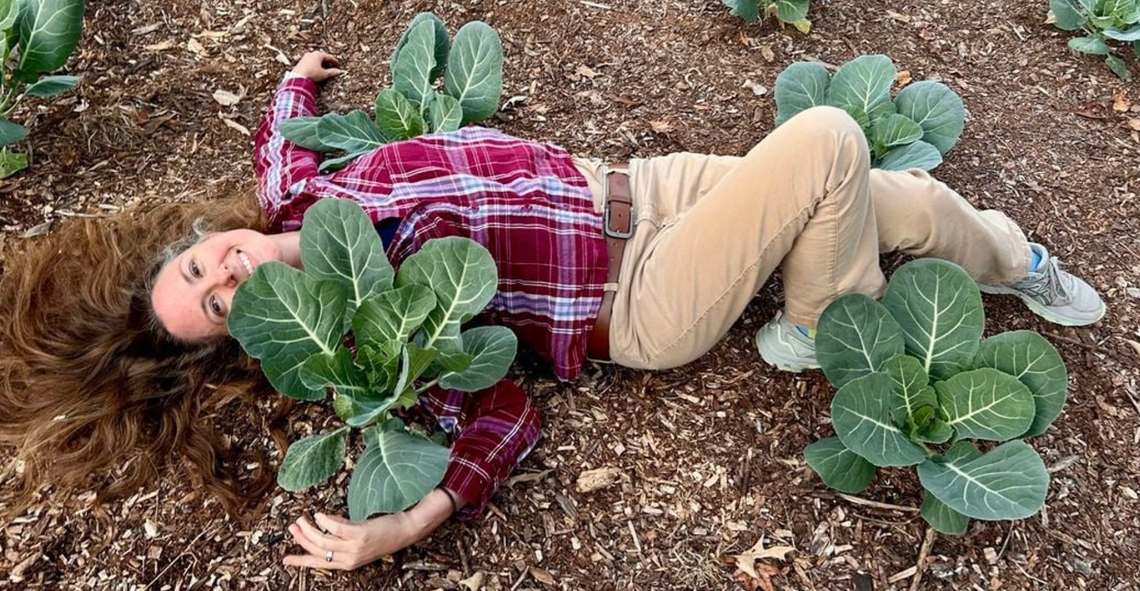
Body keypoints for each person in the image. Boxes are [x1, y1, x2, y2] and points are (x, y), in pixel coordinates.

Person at [0, 51, 1105, 571]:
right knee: (828, 143)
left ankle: (1012, 259)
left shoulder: (299, 192)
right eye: (223, 306)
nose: (225, 276)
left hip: (635, 186)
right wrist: (403, 522)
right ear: (248, 336)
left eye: (201, 267)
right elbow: (495, 420)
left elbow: (277, 136)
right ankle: (824, 323)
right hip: (638, 299)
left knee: (894, 194)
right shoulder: (370, 332)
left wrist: (295, 81)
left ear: (198, 240)